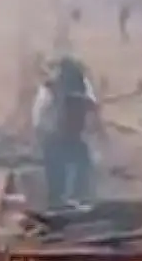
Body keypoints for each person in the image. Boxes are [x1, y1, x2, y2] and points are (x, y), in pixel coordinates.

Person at [32, 55, 105, 208]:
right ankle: (78, 198)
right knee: (82, 162)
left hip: (55, 135)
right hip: (71, 134)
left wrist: (41, 132)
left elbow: (39, 114)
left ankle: (59, 201)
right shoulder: (82, 84)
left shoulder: (49, 87)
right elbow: (92, 107)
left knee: (57, 169)